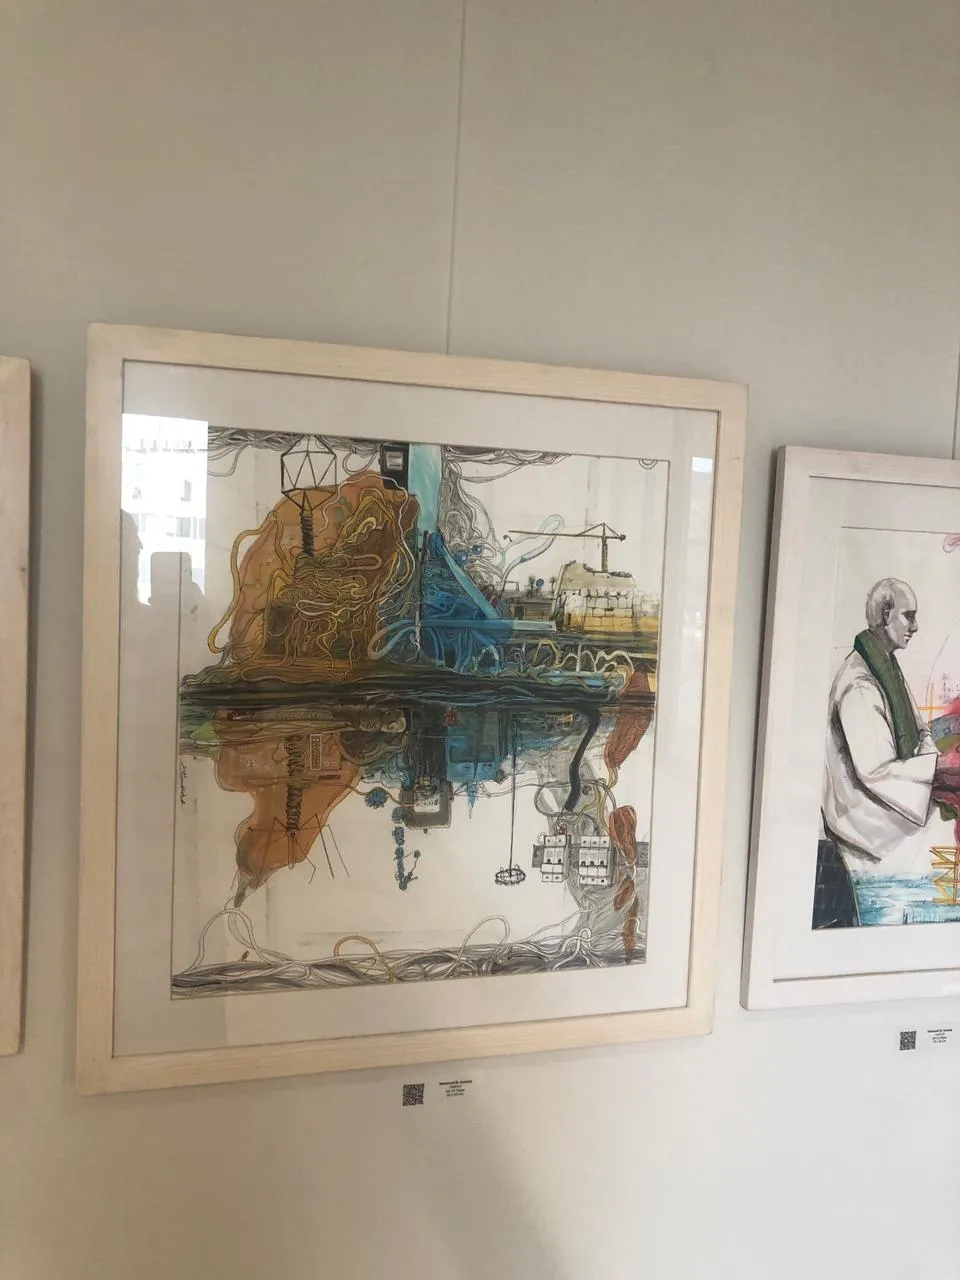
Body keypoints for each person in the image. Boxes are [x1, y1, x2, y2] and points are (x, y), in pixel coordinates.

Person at [816, 577, 959, 927]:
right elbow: (875, 771)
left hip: (894, 814)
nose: (915, 626)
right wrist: (937, 769)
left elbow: (921, 732)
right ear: (884, 614)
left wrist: (935, 766)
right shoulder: (860, 682)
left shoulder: (886, 666)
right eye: (908, 616)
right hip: (862, 830)